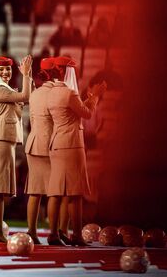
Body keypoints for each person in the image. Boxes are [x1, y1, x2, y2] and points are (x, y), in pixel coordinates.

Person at [46, 56, 107, 246]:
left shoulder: (51, 93)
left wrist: (88, 99)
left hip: (56, 143)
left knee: (56, 192)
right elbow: (87, 114)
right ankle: (76, 235)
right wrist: (95, 96)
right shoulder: (69, 93)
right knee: (75, 193)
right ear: (68, 71)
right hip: (71, 145)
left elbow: (76, 111)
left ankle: (54, 233)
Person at [0, 55, 33, 243]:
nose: (5, 72)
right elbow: (25, 96)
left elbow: (23, 100)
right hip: (0, 138)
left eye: (8, 69)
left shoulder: (4, 89)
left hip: (5, 139)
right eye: (1, 69)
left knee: (0, 188)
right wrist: (27, 75)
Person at [24, 57, 57, 244]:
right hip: (50, 145)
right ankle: (54, 233)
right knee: (54, 192)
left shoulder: (35, 93)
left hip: (33, 143)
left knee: (34, 192)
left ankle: (32, 231)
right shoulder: (57, 93)